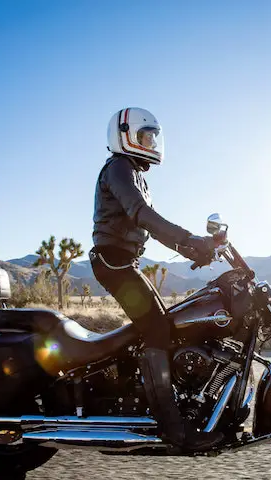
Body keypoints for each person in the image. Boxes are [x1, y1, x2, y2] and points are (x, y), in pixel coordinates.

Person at [90, 107, 222, 452]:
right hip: (114, 263)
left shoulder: (132, 171)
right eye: (145, 136)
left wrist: (197, 246)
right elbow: (142, 214)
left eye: (152, 137)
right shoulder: (119, 167)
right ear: (126, 135)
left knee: (167, 326)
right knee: (158, 329)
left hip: (122, 262)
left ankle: (166, 403)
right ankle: (172, 427)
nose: (151, 142)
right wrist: (188, 241)